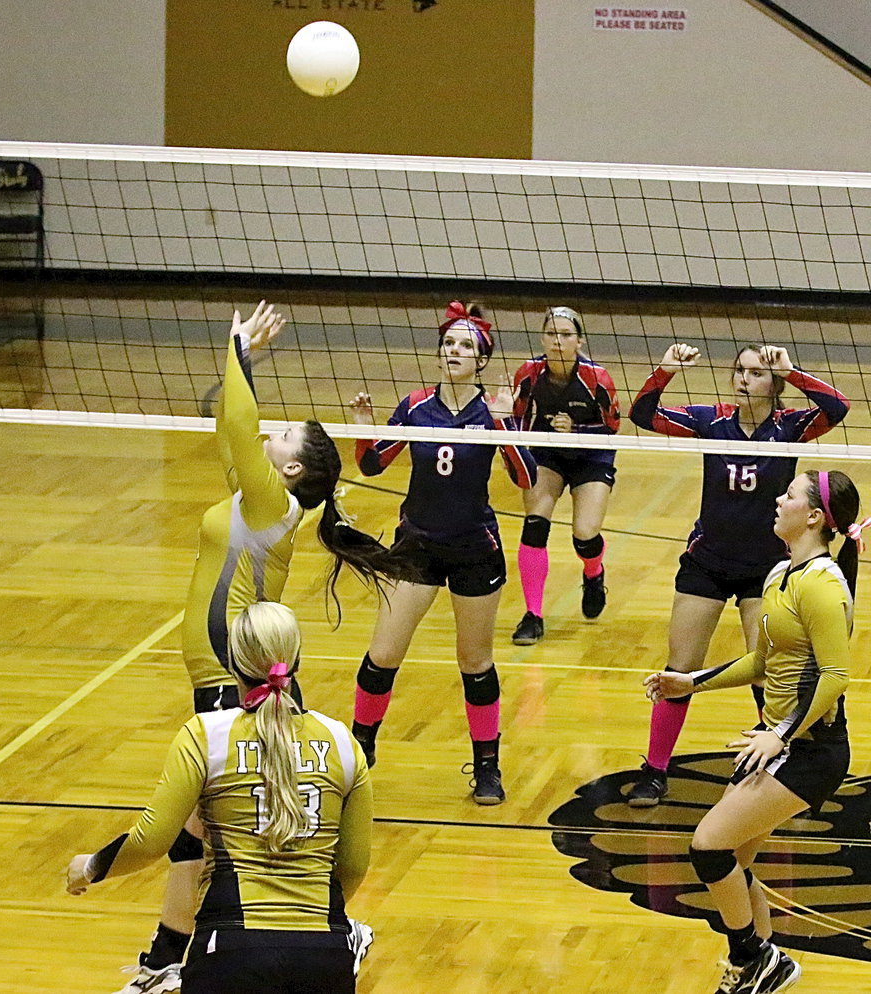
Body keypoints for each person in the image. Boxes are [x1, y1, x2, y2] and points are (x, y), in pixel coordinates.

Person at [115, 302, 403, 993]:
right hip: (228, 675)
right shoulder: (255, 499)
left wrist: (240, 347)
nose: (270, 433)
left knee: (200, 826)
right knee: (210, 825)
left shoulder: (271, 503)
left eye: (283, 434)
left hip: (234, 679)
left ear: (292, 466)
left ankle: (167, 958)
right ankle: (196, 950)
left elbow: (243, 427)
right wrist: (240, 361)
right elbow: (231, 428)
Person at [66, 601, 373, 994]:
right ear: (296, 660)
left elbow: (150, 841)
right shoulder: (343, 742)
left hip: (230, 952)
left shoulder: (205, 737)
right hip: (325, 954)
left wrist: (90, 867)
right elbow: (353, 866)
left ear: (231, 663)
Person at [643, 470, 865, 994]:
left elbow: (836, 676)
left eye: (789, 495)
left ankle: (754, 956)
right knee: (737, 862)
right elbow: (761, 662)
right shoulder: (780, 574)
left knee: (709, 848)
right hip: (780, 742)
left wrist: (780, 733)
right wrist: (691, 682)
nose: (778, 499)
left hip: (812, 751)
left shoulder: (822, 585)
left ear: (814, 517)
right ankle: (757, 970)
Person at [627, 343, 849, 807]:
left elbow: (838, 408)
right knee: (679, 669)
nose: (744, 379)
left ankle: (779, 766)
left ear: (774, 385)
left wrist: (791, 370)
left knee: (767, 672)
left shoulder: (789, 427)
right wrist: (665, 370)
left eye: (756, 373)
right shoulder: (712, 420)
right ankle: (655, 770)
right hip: (707, 562)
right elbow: (643, 415)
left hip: (764, 570)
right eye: (740, 371)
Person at [348, 301, 536, 804]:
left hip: (475, 547)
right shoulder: (415, 406)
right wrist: (364, 426)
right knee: (384, 654)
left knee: (474, 661)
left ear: (482, 359)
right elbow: (372, 465)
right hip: (417, 545)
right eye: (449, 343)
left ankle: (487, 766)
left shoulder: (493, 411)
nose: (454, 351)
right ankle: (359, 750)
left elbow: (526, 478)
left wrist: (505, 425)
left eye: (465, 345)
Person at [510, 306, 620, 645]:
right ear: (542, 339)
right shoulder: (528, 374)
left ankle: (593, 573)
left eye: (566, 335)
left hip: (591, 455)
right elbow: (518, 421)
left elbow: (613, 428)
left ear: (579, 342)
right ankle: (533, 615)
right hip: (548, 453)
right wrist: (514, 450)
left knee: (585, 534)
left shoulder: (597, 378)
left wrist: (577, 429)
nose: (558, 340)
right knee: (535, 524)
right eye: (551, 334)